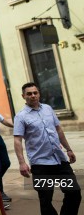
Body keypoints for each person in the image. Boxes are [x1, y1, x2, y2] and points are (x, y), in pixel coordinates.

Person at [14, 82, 81, 215]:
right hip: (41, 164)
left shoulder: (48, 109)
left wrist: (68, 149)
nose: (33, 96)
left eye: (35, 93)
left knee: (74, 193)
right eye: (29, 94)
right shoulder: (21, 116)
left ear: (39, 94)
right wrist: (22, 163)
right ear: (23, 96)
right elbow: (17, 140)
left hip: (59, 160)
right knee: (46, 201)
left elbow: (58, 130)